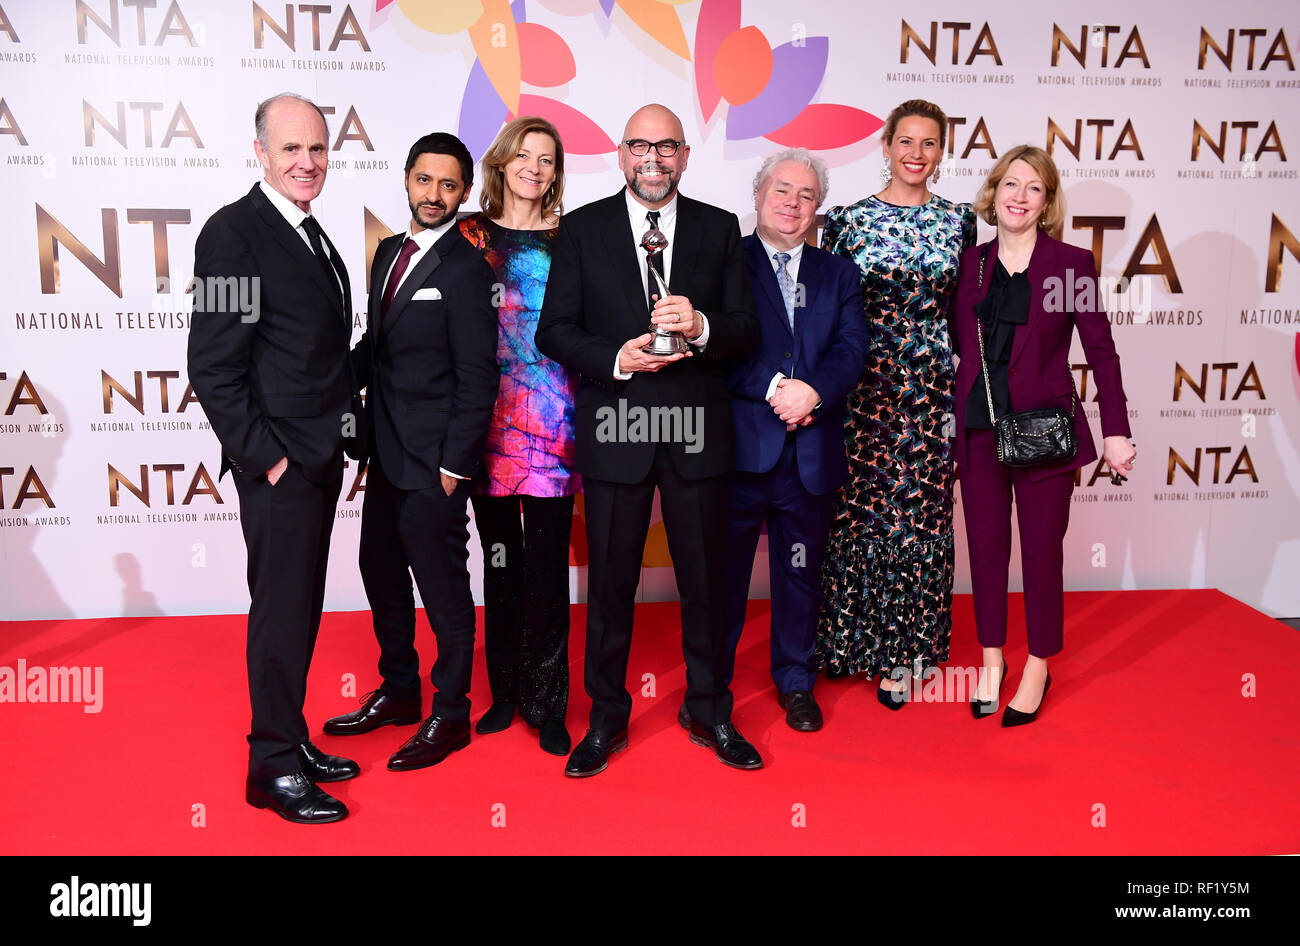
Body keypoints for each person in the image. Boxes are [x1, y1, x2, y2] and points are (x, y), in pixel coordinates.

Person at [535, 103, 762, 777]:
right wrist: (616, 358)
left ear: (686, 156)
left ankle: (710, 708)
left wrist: (701, 325)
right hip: (619, 424)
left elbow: (745, 329)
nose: (653, 159)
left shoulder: (720, 229)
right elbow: (554, 329)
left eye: (667, 147)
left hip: (696, 431)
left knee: (706, 583)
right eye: (640, 146)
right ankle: (606, 717)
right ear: (621, 153)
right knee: (609, 585)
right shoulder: (580, 230)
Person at [188, 92, 360, 824]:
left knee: (299, 608)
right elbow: (211, 365)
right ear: (260, 152)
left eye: (317, 148)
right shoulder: (233, 234)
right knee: (281, 614)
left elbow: (314, 354)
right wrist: (269, 460)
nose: (307, 162)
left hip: (316, 459)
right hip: (281, 467)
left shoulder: (310, 231)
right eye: (291, 149)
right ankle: (272, 767)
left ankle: (289, 737)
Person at [322, 132, 500, 769]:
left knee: (444, 591)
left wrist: (456, 464)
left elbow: (479, 375)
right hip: (386, 456)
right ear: (406, 178)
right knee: (381, 574)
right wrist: (326, 383)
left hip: (436, 466)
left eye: (449, 185)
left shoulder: (468, 269)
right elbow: (377, 345)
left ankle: (449, 714)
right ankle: (399, 690)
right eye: (425, 181)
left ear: (465, 192)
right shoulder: (388, 253)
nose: (435, 195)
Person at [951, 144, 1134, 726]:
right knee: (985, 549)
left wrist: (1117, 432)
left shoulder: (1070, 264)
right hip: (980, 429)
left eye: (1034, 187)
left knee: (1040, 552)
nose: (1019, 196)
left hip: (1046, 433)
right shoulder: (970, 264)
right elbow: (958, 348)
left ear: (1048, 200)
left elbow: (1101, 353)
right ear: (994, 192)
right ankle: (990, 659)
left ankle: (1037, 663)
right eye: (1010, 184)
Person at [816, 99, 975, 709]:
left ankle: (904, 653)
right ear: (884, 145)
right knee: (857, 511)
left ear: (942, 151)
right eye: (905, 141)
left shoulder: (959, 220)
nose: (916, 154)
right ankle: (847, 640)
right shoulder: (847, 221)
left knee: (920, 513)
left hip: (930, 391)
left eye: (929, 143)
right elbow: (830, 312)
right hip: (861, 387)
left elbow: (964, 314)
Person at [720, 149, 868, 731]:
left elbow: (852, 349)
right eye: (782, 190)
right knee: (724, 578)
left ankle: (796, 682)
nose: (792, 203)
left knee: (800, 574)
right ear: (758, 196)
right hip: (739, 452)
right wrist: (779, 387)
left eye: (806, 196)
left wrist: (814, 395)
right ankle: (712, 686)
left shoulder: (839, 274)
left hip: (810, 453)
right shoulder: (724, 262)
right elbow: (715, 345)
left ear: (818, 209)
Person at [457, 116, 577, 757]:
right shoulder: (469, 236)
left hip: (557, 421)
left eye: (548, 158)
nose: (535, 166)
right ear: (502, 162)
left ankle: (547, 701)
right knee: (500, 560)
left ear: (557, 172)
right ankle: (503, 692)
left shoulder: (573, 237)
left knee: (547, 566)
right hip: (488, 418)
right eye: (524, 154)